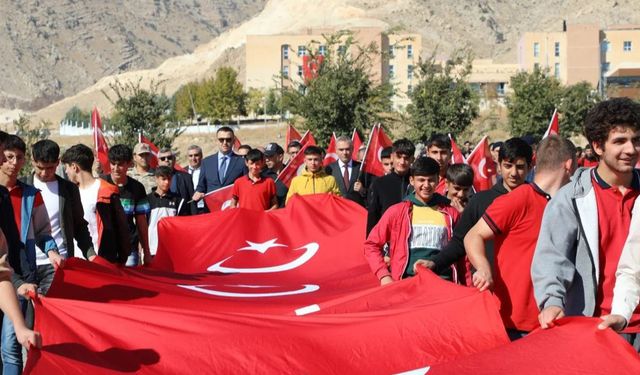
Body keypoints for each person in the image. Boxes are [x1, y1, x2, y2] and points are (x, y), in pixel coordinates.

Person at [532, 98, 640, 350]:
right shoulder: (570, 199)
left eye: (636, 140)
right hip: (595, 325)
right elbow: (552, 258)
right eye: (619, 141)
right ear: (598, 146)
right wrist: (552, 302)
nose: (631, 149)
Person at [463, 136, 576, 340]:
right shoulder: (518, 199)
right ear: (569, 166)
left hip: (552, 319)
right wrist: (483, 268)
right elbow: (473, 235)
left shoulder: (566, 204)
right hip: (514, 324)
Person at [425, 138, 533, 281]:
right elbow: (459, 241)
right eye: (508, 166)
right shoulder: (480, 201)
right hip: (488, 284)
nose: (513, 173)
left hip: (527, 284)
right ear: (499, 167)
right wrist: (434, 262)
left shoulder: (539, 202)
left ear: (529, 167)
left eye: (519, 167)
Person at [0, 135, 59, 375]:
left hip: (22, 276)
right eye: (9, 157)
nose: (14, 162)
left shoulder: (31, 195)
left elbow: (44, 231)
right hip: (5, 273)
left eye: (19, 157)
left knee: (11, 345)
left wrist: (52, 250)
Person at [364, 157, 459, 285]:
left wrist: (469, 287)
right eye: (421, 180)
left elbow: (462, 251)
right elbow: (371, 245)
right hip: (406, 284)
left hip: (443, 285)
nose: (426, 185)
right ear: (412, 181)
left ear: (438, 180)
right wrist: (384, 276)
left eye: (431, 180)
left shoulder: (451, 213)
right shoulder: (397, 212)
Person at [24, 140, 96, 260]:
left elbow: (79, 226)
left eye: (50, 168)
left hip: (60, 260)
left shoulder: (69, 189)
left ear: (58, 163)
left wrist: (90, 254)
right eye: (40, 167)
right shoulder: (21, 187)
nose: (44, 173)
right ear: (32, 162)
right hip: (26, 263)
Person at [61, 144, 130, 263]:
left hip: (103, 261)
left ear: (74, 167)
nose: (66, 171)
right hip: (76, 261)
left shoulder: (107, 191)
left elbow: (122, 228)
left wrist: (121, 259)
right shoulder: (68, 194)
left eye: (66, 167)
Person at [103, 144, 151, 266]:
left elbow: (141, 221)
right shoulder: (100, 184)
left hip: (129, 248)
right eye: (113, 164)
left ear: (129, 164)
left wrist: (146, 251)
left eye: (120, 164)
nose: (116, 168)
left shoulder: (137, 188)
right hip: (104, 248)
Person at [367, 139, 415, 235]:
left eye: (406, 158)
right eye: (399, 157)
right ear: (392, 157)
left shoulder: (418, 182)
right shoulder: (379, 184)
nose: (402, 162)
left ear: (412, 159)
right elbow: (373, 216)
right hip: (387, 238)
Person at [192, 127, 247, 207]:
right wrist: (197, 194)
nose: (225, 142)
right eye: (221, 139)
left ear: (233, 141)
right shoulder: (206, 162)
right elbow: (201, 186)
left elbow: (245, 187)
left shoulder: (241, 162)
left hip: (232, 209)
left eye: (228, 139)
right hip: (212, 210)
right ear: (216, 141)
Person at [147, 166, 189, 257]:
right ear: (156, 179)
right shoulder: (147, 200)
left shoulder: (179, 200)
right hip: (151, 248)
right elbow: (143, 225)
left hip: (171, 249)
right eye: (163, 179)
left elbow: (182, 226)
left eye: (169, 179)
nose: (167, 182)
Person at [325, 136, 367, 207]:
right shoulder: (328, 169)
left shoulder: (362, 167)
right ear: (336, 150)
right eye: (341, 150)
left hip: (357, 210)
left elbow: (372, 191)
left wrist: (362, 190)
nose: (345, 152)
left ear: (352, 149)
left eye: (347, 149)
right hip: (337, 210)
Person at [157, 148, 196, 215]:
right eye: (163, 158)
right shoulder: (153, 178)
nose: (166, 160)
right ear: (158, 161)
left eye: (169, 158)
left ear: (174, 160)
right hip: (162, 219)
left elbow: (192, 201)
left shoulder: (186, 177)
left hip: (183, 218)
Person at [262, 143, 288, 208]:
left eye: (270, 156)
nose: (267, 160)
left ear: (280, 157)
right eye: (266, 156)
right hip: (270, 215)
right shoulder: (262, 176)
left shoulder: (290, 173)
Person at [185, 145, 205, 213]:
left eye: (196, 155)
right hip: (188, 209)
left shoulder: (207, 170)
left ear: (201, 156)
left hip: (203, 208)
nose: (193, 158)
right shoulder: (182, 171)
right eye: (190, 156)